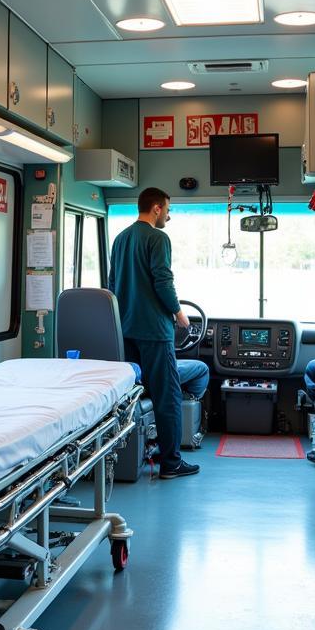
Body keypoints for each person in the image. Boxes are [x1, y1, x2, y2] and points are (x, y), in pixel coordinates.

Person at [109, 187, 199, 479]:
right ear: (157, 209)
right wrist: (179, 314)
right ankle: (171, 462)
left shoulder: (121, 239)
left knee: (133, 394)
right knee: (168, 395)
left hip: (126, 329)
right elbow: (163, 281)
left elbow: (112, 285)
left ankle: (132, 456)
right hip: (154, 331)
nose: (169, 217)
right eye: (168, 210)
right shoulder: (158, 238)